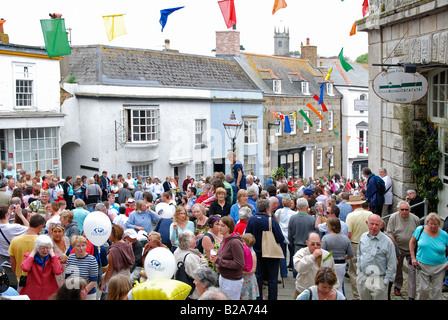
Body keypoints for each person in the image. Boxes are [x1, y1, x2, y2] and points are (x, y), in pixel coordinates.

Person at [245, 198, 285, 300]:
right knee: (272, 279)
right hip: (271, 253)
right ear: (268, 209)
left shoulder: (251, 220)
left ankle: (258, 297)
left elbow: (247, 235)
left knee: (258, 276)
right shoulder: (271, 221)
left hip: (256, 253)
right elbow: (280, 238)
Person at [356, 214, 397, 300]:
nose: (374, 227)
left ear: (381, 225)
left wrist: (386, 281)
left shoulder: (387, 242)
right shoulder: (363, 237)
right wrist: (359, 272)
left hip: (379, 278)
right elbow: (359, 254)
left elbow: (392, 263)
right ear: (367, 223)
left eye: (377, 224)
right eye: (372, 224)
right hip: (363, 277)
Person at [386, 200, 420, 299]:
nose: (404, 211)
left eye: (406, 209)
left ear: (409, 209)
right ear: (398, 209)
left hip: (411, 250)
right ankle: (397, 286)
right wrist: (395, 247)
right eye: (402, 209)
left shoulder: (415, 219)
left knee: (412, 272)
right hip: (398, 248)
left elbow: (418, 234)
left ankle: (411, 295)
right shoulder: (393, 218)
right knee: (397, 269)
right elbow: (389, 233)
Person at [409, 212, 448, 300]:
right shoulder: (420, 230)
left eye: (436, 224)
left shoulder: (444, 235)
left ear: (439, 224)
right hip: (422, 265)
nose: (433, 226)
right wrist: (413, 258)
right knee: (423, 289)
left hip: (440, 266)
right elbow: (411, 242)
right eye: (431, 224)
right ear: (427, 223)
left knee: (437, 290)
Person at [209, 216, 245, 300]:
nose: (219, 228)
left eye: (223, 226)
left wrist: (218, 260)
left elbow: (239, 264)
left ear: (229, 228)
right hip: (224, 277)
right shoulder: (225, 238)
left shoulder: (235, 242)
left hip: (232, 281)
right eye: (219, 225)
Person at [293, 231, 337, 299]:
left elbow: (333, 273)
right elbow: (299, 268)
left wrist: (334, 289)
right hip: (303, 290)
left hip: (323, 293)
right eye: (312, 244)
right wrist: (312, 257)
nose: (316, 246)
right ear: (307, 243)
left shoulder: (327, 255)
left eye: (318, 244)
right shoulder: (300, 253)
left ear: (321, 242)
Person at [19, 235, 64, 300]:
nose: (45, 251)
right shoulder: (29, 256)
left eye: (47, 248)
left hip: (49, 291)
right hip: (32, 291)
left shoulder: (54, 257)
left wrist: (53, 255)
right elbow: (25, 268)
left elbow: (58, 271)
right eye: (42, 248)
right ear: (37, 248)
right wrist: (33, 253)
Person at [8, 214, 45, 290]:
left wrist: (16, 273)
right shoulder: (43, 241)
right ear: (41, 226)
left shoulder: (15, 240)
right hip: (38, 278)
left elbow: (12, 262)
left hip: (21, 278)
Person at [345, 194, 372, 300]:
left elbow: (348, 234)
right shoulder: (370, 214)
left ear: (352, 206)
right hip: (369, 244)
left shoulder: (351, 216)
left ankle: (358, 296)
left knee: (354, 272)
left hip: (355, 244)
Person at [321, 217, 354, 296]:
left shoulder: (326, 238)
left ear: (330, 227)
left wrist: (329, 256)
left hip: (328, 264)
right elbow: (351, 254)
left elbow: (322, 253)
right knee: (339, 286)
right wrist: (344, 256)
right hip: (341, 264)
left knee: (329, 285)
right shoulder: (345, 239)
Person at [0, 204, 29, 289]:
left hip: (1, 258)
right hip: (14, 258)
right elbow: (30, 229)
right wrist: (20, 214)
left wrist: (6, 211)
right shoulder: (14, 227)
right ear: (6, 214)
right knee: (15, 283)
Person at [173, 230, 208, 299]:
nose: (196, 240)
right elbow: (200, 275)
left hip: (181, 289)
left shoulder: (177, 251)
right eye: (194, 239)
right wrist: (204, 261)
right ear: (189, 243)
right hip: (192, 294)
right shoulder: (190, 257)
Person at [287, 197, 316, 275]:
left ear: (297, 207)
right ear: (307, 207)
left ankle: (296, 277)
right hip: (309, 245)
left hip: (297, 244)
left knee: (298, 263)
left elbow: (290, 233)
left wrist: (291, 243)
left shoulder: (293, 218)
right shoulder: (312, 219)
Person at [65, 235, 99, 300]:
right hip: (73, 292)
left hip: (88, 293)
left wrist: (83, 291)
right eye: (78, 246)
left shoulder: (91, 259)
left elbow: (94, 280)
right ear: (73, 247)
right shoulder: (70, 258)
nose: (81, 248)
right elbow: (67, 277)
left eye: (83, 245)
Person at [274, 197, 296, 279]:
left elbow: (276, 221)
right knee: (293, 254)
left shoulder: (278, 212)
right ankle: (295, 272)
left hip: (281, 235)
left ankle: (283, 273)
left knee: (282, 254)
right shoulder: (293, 213)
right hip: (291, 235)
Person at [240, 233, 259, 300]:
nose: (241, 242)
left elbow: (253, 270)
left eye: (242, 241)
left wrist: (240, 271)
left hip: (247, 279)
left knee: (246, 297)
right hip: (242, 278)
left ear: (248, 242)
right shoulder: (243, 251)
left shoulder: (252, 254)